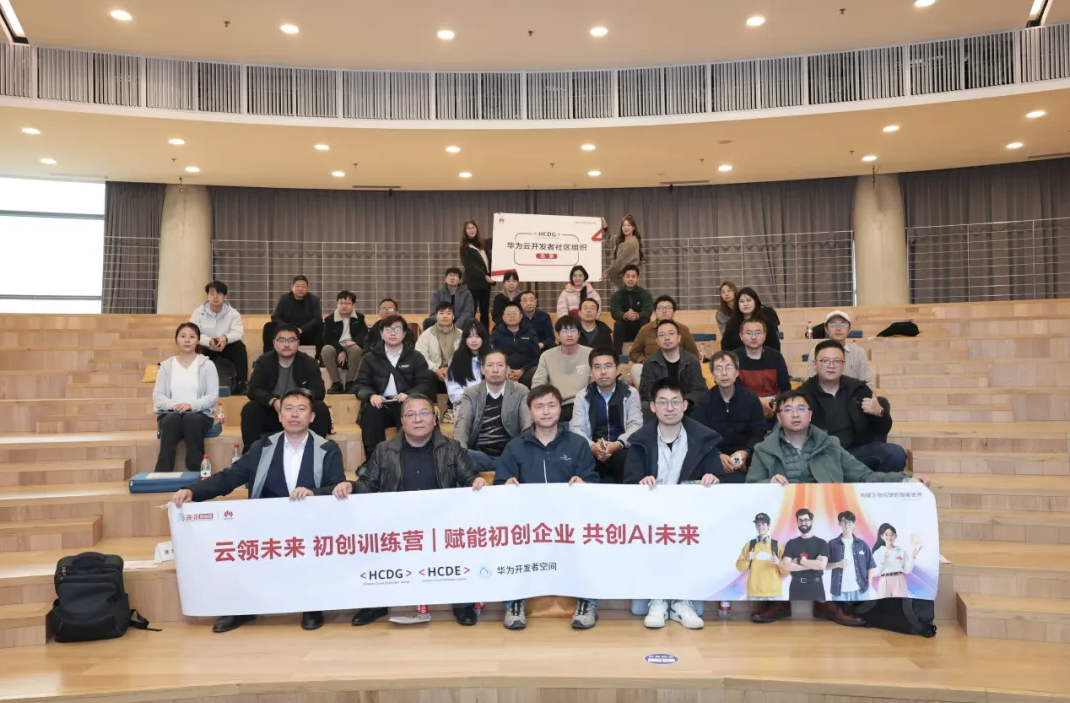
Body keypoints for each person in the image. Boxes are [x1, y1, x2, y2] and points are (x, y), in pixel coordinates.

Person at [170, 388, 345, 633]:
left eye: (301, 409)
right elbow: (231, 476)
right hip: (266, 523)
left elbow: (337, 487)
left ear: (312, 417)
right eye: (288, 409)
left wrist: (313, 493)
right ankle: (243, 608)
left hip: (310, 523)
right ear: (280, 416)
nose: (294, 415)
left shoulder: (328, 448)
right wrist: (193, 491)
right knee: (238, 540)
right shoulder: (263, 447)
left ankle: (311, 606)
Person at [332, 394, 487, 626]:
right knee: (369, 538)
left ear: (434, 419)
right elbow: (369, 484)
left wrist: (476, 481)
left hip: (441, 522)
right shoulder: (384, 449)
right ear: (402, 421)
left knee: (461, 538)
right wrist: (351, 486)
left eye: (424, 413)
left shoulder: (452, 448)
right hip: (397, 523)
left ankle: (462, 603)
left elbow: (468, 477)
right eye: (410, 414)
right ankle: (376, 603)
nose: (418, 419)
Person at [495, 385, 599, 631]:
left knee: (589, 540)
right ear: (530, 411)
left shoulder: (577, 444)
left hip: (568, 521)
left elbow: (592, 481)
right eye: (539, 406)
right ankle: (514, 603)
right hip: (527, 522)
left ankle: (587, 602)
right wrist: (506, 485)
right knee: (510, 541)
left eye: (551, 405)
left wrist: (583, 483)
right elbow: (500, 483)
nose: (546, 411)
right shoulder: (515, 446)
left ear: (560, 409)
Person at [624, 378, 721, 630]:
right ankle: (658, 599)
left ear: (685, 405)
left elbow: (717, 477)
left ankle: (680, 602)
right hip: (651, 515)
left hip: (690, 515)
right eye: (663, 402)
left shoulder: (704, 438)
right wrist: (640, 483)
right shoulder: (639, 441)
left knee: (690, 534)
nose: (670, 408)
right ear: (653, 407)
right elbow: (629, 483)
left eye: (676, 402)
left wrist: (712, 479)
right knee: (653, 533)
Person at [746, 390, 929, 486]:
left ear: (810, 415)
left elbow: (864, 476)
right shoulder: (764, 450)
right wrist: (768, 483)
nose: (795, 414)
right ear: (778, 417)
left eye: (801, 409)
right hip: (782, 518)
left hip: (827, 513)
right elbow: (751, 487)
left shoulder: (829, 445)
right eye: (788, 410)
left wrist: (906, 479)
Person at [800, 340, 907, 473]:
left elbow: (883, 429)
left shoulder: (858, 389)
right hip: (820, 455)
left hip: (856, 454)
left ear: (843, 364)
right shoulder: (802, 395)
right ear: (815, 364)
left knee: (895, 453)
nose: (831, 365)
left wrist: (879, 412)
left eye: (837, 361)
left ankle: (870, 483)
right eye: (825, 361)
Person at [760, 508, 866, 626]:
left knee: (824, 604)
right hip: (796, 585)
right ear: (797, 522)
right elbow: (786, 565)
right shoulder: (791, 543)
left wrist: (800, 561)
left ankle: (825, 610)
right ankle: (782, 609)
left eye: (806, 520)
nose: (803, 523)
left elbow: (822, 565)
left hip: (816, 585)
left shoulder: (821, 543)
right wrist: (812, 564)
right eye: (800, 520)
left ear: (812, 522)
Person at [355, 314, 438, 463]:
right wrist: (371, 395)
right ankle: (373, 462)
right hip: (380, 404)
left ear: (404, 334)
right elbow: (360, 384)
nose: (393, 333)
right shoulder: (369, 358)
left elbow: (425, 383)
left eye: (397, 329)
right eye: (388, 329)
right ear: (381, 333)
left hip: (405, 402)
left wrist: (410, 395)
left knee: (411, 411)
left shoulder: (416, 357)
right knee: (370, 412)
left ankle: (409, 461)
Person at [242, 324, 331, 453]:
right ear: (274, 343)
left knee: (320, 408)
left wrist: (296, 403)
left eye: (291, 340)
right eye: (282, 340)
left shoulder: (308, 362)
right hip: (274, 411)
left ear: (298, 343)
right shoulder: (264, 361)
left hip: (299, 412)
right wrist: (273, 401)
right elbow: (253, 389)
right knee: (250, 409)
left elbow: (319, 391)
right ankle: (251, 455)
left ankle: (315, 453)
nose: (286, 344)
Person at [692, 350, 768, 484]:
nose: (724, 373)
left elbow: (759, 432)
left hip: (747, 457)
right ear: (712, 374)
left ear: (737, 372)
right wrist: (718, 455)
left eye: (728, 367)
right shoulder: (703, 402)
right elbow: (699, 436)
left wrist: (746, 452)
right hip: (713, 457)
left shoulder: (750, 399)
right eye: (718, 368)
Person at [152, 323, 219, 473]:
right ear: (176, 340)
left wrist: (191, 405)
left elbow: (212, 396)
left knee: (191, 418)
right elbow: (158, 395)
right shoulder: (166, 366)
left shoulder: (207, 365)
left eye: (192, 337)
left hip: (200, 414)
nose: (187, 340)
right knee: (172, 420)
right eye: (183, 336)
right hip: (170, 413)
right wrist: (174, 405)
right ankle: (163, 470)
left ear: (198, 340)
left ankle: (197, 468)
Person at [569, 348, 642, 484]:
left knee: (626, 459)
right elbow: (577, 428)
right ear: (591, 372)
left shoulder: (630, 393)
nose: (603, 372)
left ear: (618, 369)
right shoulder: (582, 396)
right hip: (592, 450)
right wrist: (592, 446)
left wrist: (618, 444)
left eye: (608, 366)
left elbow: (635, 425)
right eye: (597, 367)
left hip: (622, 449)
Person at [453, 350, 531, 474]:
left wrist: (525, 452)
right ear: (482, 370)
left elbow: (527, 425)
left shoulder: (521, 391)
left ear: (508, 370)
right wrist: (459, 453)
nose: (495, 370)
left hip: (510, 453)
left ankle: (501, 464)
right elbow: (463, 424)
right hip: (478, 454)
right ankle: (501, 466)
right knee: (455, 456)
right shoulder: (471, 393)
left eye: (500, 365)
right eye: (490, 365)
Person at [638, 320, 707, 421]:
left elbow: (699, 389)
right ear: (657, 341)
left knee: (700, 405)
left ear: (679, 338)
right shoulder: (650, 362)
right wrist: (664, 402)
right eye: (662, 335)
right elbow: (646, 390)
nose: (667, 338)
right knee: (645, 406)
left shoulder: (691, 361)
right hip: (660, 405)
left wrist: (682, 402)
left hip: (685, 405)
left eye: (671, 333)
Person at [628, 295, 700, 386]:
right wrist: (644, 361)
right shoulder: (645, 330)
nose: (664, 311)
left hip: (677, 369)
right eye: (660, 308)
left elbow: (693, 353)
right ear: (655, 312)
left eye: (668, 308)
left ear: (674, 312)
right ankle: (651, 394)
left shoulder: (683, 329)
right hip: (652, 370)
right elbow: (634, 353)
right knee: (636, 369)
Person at [191, 280, 248, 394]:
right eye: (212, 293)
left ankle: (241, 383)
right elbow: (193, 333)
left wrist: (225, 338)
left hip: (226, 346)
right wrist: (208, 341)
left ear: (225, 297)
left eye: (219, 293)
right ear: (207, 296)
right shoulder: (198, 313)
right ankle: (195, 384)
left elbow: (238, 332)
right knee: (193, 347)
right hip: (206, 346)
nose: (215, 297)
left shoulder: (233, 314)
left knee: (240, 347)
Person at [531, 315, 591, 422]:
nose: (569, 334)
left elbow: (595, 382)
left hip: (584, 404)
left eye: (573, 330)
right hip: (557, 405)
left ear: (579, 334)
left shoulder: (590, 354)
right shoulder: (547, 355)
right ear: (557, 335)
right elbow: (538, 383)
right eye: (564, 331)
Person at [735, 318, 791, 422]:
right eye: (749, 333)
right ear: (741, 336)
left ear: (765, 336)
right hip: (744, 408)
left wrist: (775, 405)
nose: (753, 337)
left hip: (773, 407)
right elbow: (734, 391)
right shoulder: (734, 358)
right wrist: (758, 401)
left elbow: (785, 388)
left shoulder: (776, 357)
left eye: (758, 333)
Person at [414, 302, 463, 419]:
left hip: (454, 371)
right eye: (441, 313)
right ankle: (432, 409)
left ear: (453, 316)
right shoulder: (426, 335)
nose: (444, 316)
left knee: (462, 372)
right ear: (436, 316)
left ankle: (451, 409)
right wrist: (436, 369)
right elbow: (420, 356)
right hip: (433, 371)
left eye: (448, 313)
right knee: (426, 375)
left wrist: (450, 369)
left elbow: (466, 357)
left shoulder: (462, 335)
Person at [806, 310, 874, 389]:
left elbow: (868, 383)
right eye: (833, 324)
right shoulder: (816, 352)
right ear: (826, 329)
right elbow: (810, 384)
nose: (838, 328)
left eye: (843, 324)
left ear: (849, 329)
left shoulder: (859, 352)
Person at [321, 290, 369, 394]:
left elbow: (364, 334)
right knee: (326, 349)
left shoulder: (359, 318)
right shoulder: (330, 319)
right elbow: (327, 338)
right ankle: (336, 383)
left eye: (347, 303)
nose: (344, 306)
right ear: (337, 304)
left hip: (351, 345)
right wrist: (340, 350)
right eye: (341, 303)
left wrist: (355, 342)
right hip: (336, 346)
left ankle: (350, 382)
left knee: (356, 349)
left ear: (353, 305)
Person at [262, 275, 323, 353]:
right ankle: (268, 356)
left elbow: (317, 319)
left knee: (322, 326)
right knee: (268, 326)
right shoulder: (284, 298)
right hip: (286, 333)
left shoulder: (314, 299)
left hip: (305, 333)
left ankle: (319, 357)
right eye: (297, 286)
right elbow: (275, 317)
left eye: (303, 286)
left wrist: (302, 329)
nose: (300, 289)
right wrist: (287, 328)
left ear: (307, 288)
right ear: (292, 287)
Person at [735, 513, 786, 601]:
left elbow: (787, 571)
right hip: (754, 594)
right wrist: (747, 559)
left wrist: (778, 563)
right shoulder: (749, 545)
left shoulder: (777, 546)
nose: (760, 526)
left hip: (774, 594)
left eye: (763, 524)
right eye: (758, 524)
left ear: (768, 525)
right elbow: (740, 568)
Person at [828, 511, 876, 603]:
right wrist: (837, 564)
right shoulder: (832, 544)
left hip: (861, 591)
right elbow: (825, 566)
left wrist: (868, 585)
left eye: (850, 522)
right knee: (839, 612)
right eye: (844, 522)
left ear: (854, 524)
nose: (847, 524)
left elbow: (870, 566)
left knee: (862, 612)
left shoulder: (862, 545)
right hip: (839, 592)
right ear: (839, 524)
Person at [490, 301, 541, 387]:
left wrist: (522, 370)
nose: (512, 316)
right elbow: (491, 355)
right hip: (503, 371)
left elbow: (536, 357)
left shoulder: (530, 332)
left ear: (521, 316)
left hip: (526, 372)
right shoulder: (496, 334)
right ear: (503, 317)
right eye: (508, 314)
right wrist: (506, 369)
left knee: (538, 371)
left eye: (514, 313)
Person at [609, 265, 654, 356]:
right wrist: (624, 315)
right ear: (623, 278)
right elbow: (614, 311)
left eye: (633, 276)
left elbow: (648, 310)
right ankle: (617, 355)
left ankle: (646, 354)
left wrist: (637, 315)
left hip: (639, 325)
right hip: (624, 327)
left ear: (638, 278)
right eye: (628, 276)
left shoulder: (645, 294)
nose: (630, 279)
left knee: (645, 323)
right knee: (618, 324)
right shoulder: (616, 295)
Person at [721, 287, 781, 353]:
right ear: (737, 305)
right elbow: (726, 347)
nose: (745, 304)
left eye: (749, 300)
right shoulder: (731, 324)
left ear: (755, 302)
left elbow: (774, 346)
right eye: (742, 301)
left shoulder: (766, 322)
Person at [445, 320, 490, 406]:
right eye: (470, 336)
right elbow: (454, 395)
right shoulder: (456, 359)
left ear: (483, 338)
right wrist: (476, 393)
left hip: (489, 404)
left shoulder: (492, 357)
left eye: (477, 336)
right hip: (464, 404)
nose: (474, 340)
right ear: (464, 339)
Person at [459, 220, 493, 327]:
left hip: (485, 285)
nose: (471, 230)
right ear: (465, 231)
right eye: (468, 228)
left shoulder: (484, 243)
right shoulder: (464, 247)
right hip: (472, 284)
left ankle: (485, 335)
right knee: (471, 312)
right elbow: (470, 266)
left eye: (473, 227)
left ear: (477, 229)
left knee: (485, 313)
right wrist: (484, 276)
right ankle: (469, 334)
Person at [872, 523, 919, 599]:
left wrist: (913, 557)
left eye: (892, 534)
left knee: (900, 604)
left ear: (895, 536)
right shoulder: (878, 552)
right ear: (882, 536)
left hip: (899, 581)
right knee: (883, 605)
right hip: (884, 581)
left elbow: (907, 570)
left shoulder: (901, 552)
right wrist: (883, 563)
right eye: (886, 534)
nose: (889, 537)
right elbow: (874, 573)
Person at [603, 215, 644, 283]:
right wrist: (605, 228)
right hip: (620, 280)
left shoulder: (632, 243)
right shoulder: (621, 239)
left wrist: (607, 273)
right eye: (624, 225)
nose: (626, 227)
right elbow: (611, 240)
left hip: (627, 280)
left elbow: (620, 262)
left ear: (633, 227)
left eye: (628, 225)